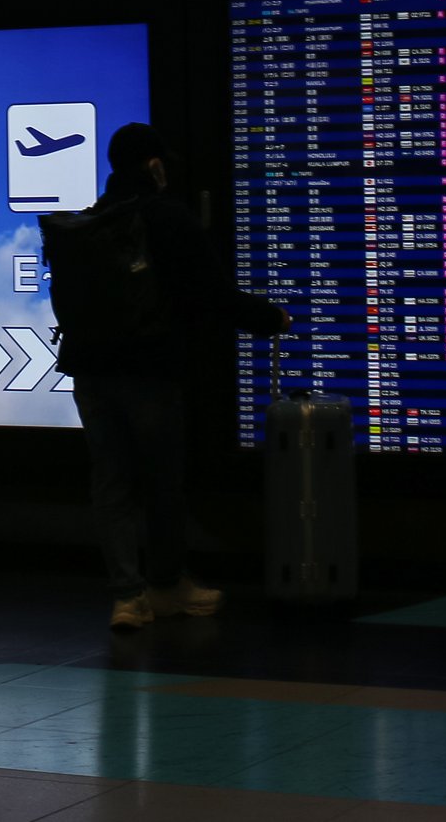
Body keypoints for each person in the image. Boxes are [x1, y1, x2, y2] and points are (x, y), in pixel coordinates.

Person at [54, 122, 288, 630]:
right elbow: (213, 294)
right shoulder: (167, 218)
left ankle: (125, 598)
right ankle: (166, 587)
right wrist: (271, 318)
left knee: (111, 482)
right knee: (161, 481)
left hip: (90, 371)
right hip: (150, 370)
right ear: (156, 165)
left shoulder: (92, 221)